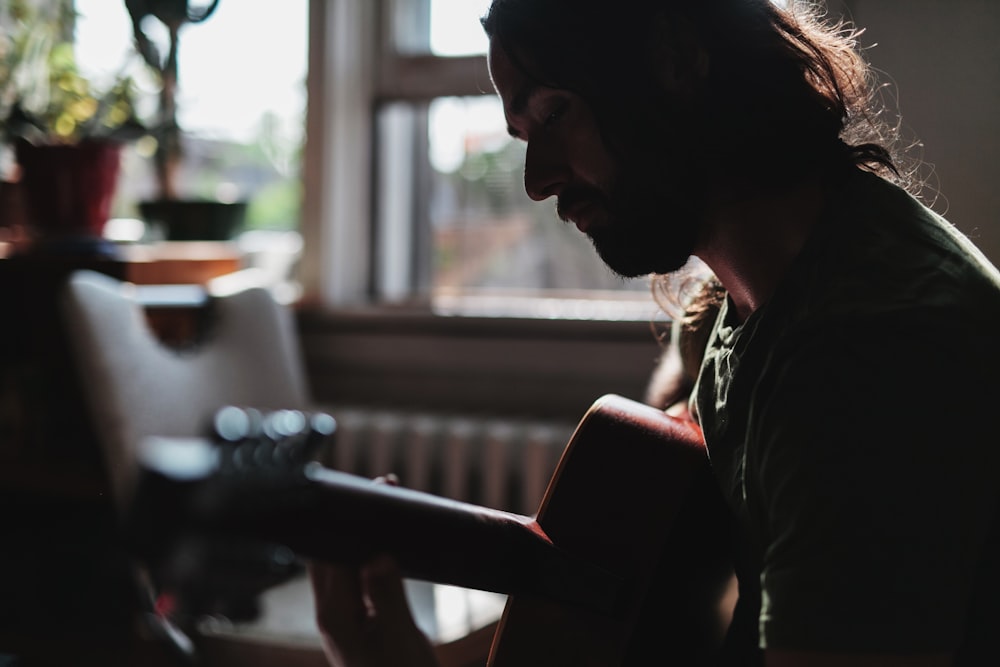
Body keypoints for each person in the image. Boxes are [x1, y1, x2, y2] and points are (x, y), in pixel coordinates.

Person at [310, 0, 1000, 665]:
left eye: (556, 110)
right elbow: (647, 542)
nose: (538, 179)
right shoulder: (728, 304)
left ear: (675, 59)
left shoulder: (872, 352)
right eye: (526, 135)